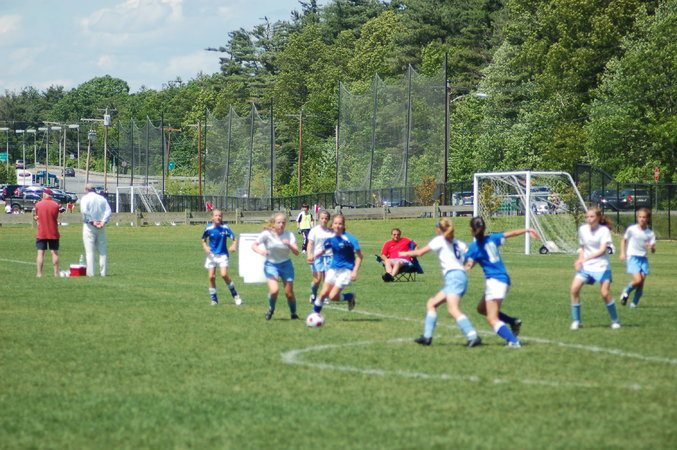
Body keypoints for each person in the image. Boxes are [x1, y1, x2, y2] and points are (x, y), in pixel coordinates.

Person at [400, 218, 481, 347]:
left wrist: (404, 253)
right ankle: (427, 337)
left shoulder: (440, 240)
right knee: (431, 303)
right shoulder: (459, 243)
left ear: (439, 229)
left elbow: (420, 253)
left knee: (453, 309)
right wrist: (467, 265)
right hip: (459, 276)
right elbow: (469, 259)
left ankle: (473, 336)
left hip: (454, 277)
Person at [465, 216, 537, 347]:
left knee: (492, 319)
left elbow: (467, 262)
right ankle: (512, 321)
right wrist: (527, 229)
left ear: (471, 229)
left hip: (495, 282)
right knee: (481, 309)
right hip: (504, 279)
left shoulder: (474, 247)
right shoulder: (493, 238)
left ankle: (514, 342)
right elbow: (512, 233)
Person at [569, 207, 620, 330]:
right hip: (586, 267)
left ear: (598, 217)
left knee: (604, 293)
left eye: (592, 216)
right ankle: (577, 321)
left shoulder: (604, 231)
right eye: (587, 216)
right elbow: (583, 248)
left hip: (602, 266)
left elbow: (602, 250)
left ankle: (615, 320)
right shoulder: (582, 229)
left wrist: (585, 259)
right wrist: (580, 260)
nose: (589, 219)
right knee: (574, 289)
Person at [309, 214, 363, 314]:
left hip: (346, 270)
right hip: (333, 269)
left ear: (343, 225)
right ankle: (314, 314)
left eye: (340, 224)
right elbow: (324, 250)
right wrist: (314, 256)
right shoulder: (330, 239)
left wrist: (355, 271)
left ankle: (350, 296)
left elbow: (360, 256)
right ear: (332, 225)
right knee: (323, 293)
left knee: (333, 296)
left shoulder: (350, 239)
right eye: (335, 223)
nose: (337, 226)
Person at [252, 213, 300, 320]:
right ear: (273, 223)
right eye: (279, 222)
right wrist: (261, 251)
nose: (281, 224)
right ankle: (271, 309)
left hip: (286, 265)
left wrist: (289, 245)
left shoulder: (289, 235)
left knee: (289, 293)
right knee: (274, 290)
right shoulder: (267, 234)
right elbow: (254, 245)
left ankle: (293, 314)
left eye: (283, 222)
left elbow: (297, 252)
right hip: (271, 265)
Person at [201, 209, 242, 306]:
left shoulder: (225, 227)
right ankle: (214, 300)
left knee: (224, 275)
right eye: (216, 215)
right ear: (212, 217)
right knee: (211, 277)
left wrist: (233, 245)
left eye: (220, 216)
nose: (218, 217)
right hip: (212, 255)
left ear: (222, 217)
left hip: (223, 254)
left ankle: (235, 296)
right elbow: (203, 239)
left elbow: (234, 238)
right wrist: (205, 247)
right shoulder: (208, 228)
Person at [619, 207, 656, 308]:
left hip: (643, 258)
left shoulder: (650, 233)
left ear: (648, 218)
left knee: (641, 283)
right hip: (633, 257)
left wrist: (651, 247)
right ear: (637, 218)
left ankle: (633, 304)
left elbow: (653, 250)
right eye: (640, 217)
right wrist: (622, 253)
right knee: (638, 280)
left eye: (644, 217)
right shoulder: (632, 229)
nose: (642, 219)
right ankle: (626, 291)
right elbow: (623, 240)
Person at [80, 183, 112, 277]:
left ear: (86, 189)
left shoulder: (85, 198)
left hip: (89, 226)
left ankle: (91, 273)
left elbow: (84, 211)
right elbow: (108, 211)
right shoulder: (102, 198)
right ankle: (103, 272)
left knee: (90, 251)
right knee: (102, 250)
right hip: (101, 226)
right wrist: (103, 222)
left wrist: (92, 221)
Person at [306, 210, 333, 304]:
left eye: (326, 218)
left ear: (328, 220)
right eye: (322, 218)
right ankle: (313, 293)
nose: (324, 220)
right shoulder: (314, 231)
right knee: (317, 280)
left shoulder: (331, 232)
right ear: (318, 219)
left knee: (328, 278)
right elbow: (310, 243)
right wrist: (309, 255)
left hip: (329, 257)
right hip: (317, 257)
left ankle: (324, 296)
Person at [34, 188, 61, 277]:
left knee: (40, 253)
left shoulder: (38, 204)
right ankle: (56, 273)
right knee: (54, 252)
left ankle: (39, 273)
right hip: (53, 231)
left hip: (42, 231)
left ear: (45, 194)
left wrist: (37, 218)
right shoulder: (55, 205)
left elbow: (38, 216)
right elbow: (55, 217)